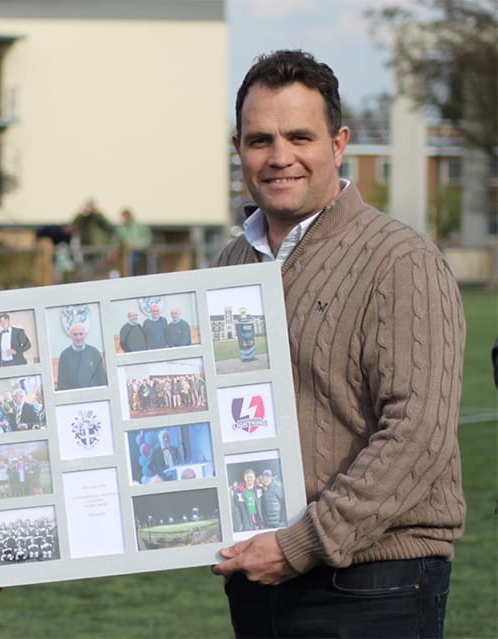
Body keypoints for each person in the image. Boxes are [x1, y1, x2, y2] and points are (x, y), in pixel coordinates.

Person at [211, 50, 464, 638]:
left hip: (374, 582)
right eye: (259, 140)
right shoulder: (227, 265)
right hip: (259, 575)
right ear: (238, 149)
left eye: (300, 136)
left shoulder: (401, 261)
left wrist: (302, 543)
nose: (279, 158)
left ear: (339, 142)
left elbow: (417, 434)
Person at [55, 323, 107, 390]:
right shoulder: (64, 356)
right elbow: (62, 382)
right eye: (75, 334)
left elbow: (101, 378)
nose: (78, 337)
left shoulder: (94, 352)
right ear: (70, 335)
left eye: (81, 334)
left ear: (85, 335)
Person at [114, 208, 152, 275]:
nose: (125, 218)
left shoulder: (138, 226)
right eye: (123, 217)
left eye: (126, 216)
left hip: (139, 251)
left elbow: (147, 238)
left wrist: (139, 246)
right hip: (125, 253)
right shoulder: (121, 228)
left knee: (135, 264)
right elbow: (117, 240)